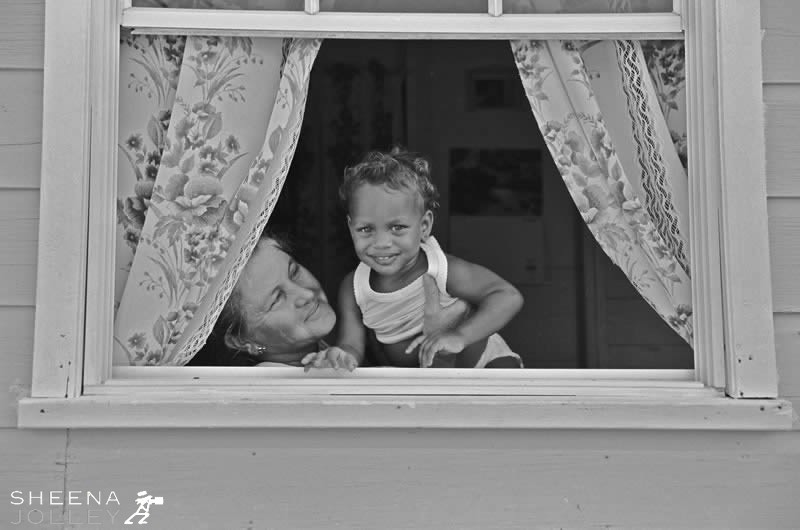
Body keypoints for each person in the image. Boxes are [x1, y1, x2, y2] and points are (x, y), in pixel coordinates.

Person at [313, 147, 524, 369]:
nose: (381, 243)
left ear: (424, 226)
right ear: (350, 227)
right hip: (426, 382)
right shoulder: (354, 288)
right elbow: (352, 346)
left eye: (397, 227)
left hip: (486, 363)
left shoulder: (441, 269)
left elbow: (507, 296)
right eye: (366, 229)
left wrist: (459, 336)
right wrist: (341, 356)